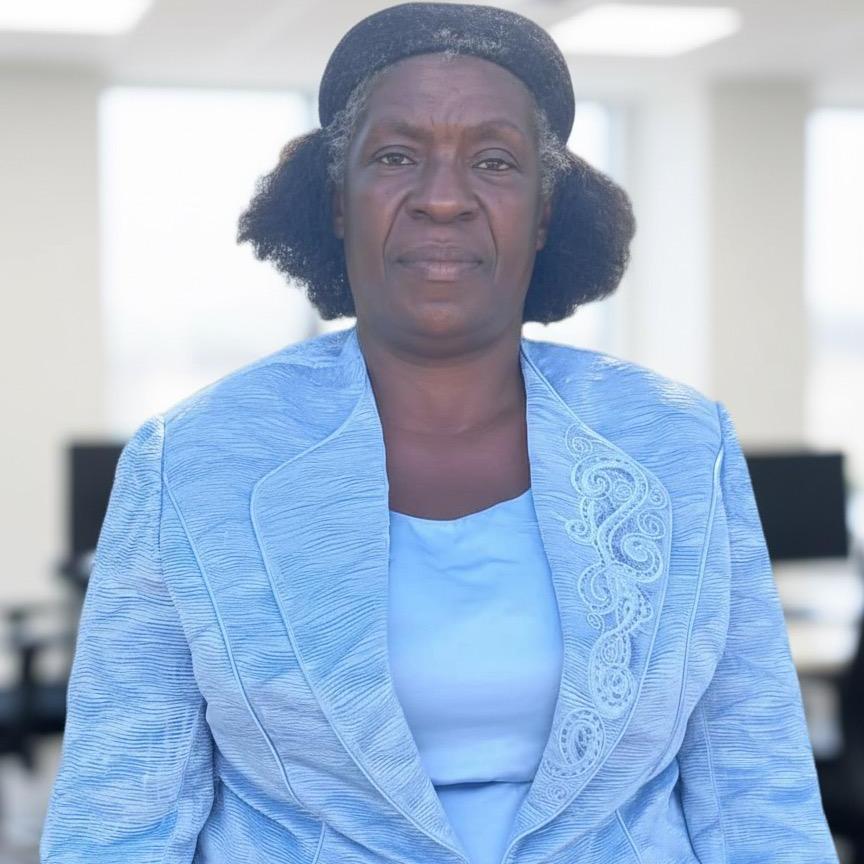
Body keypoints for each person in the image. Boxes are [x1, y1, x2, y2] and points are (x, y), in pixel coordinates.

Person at [40, 3, 838, 863]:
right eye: (396, 157)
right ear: (336, 200)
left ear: (544, 211)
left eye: (494, 161)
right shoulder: (193, 461)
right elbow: (116, 821)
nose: (445, 198)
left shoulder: (681, 445)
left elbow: (758, 795)